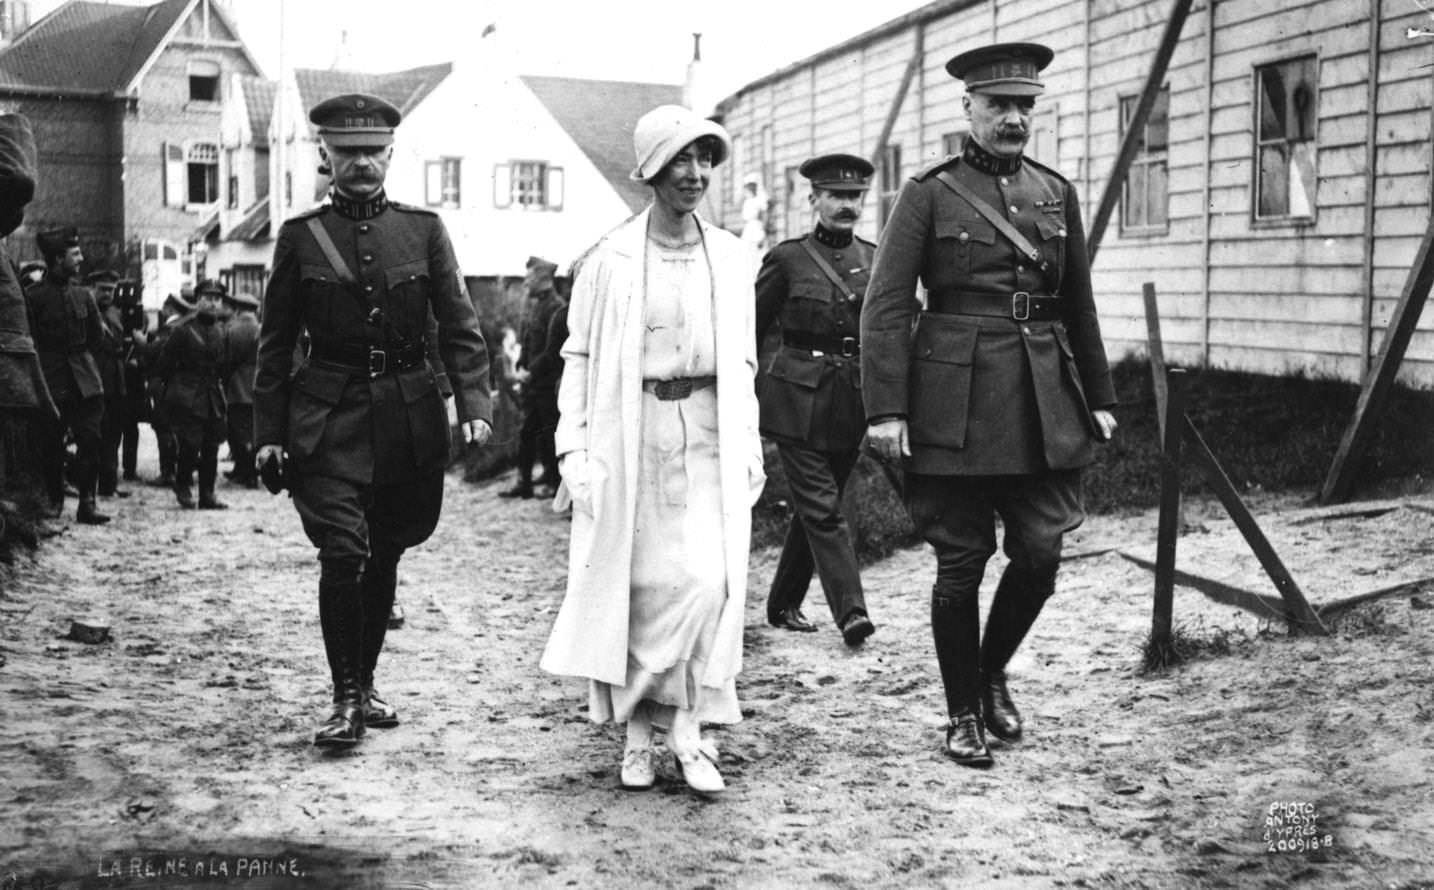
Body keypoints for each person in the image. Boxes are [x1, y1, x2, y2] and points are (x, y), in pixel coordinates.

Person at [861, 43, 1118, 767]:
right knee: (961, 561)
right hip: (955, 399)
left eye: (1024, 106)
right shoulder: (929, 192)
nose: (1013, 119)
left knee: (1040, 553)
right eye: (999, 105)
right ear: (967, 108)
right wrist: (887, 409)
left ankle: (991, 670)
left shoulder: (1054, 191)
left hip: (1041, 396)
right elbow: (884, 308)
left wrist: (1097, 394)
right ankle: (961, 713)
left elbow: (1079, 303)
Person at [253, 93, 493, 749]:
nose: (361, 163)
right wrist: (268, 434)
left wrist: (474, 405)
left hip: (407, 416)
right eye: (347, 152)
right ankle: (345, 698)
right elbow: (274, 345)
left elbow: (461, 325)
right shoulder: (300, 238)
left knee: (386, 547)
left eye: (373, 152)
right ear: (325, 155)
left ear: (391, 154)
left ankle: (366, 681)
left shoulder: (423, 230)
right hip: (327, 421)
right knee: (345, 550)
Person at [539, 105, 764, 795]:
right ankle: (640, 735)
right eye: (678, 162)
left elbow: (746, 364)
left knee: (708, 581)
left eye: (703, 160)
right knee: (638, 588)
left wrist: (749, 443)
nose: (694, 175)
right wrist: (573, 450)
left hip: (707, 433)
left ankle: (691, 729)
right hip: (629, 432)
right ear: (650, 173)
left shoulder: (729, 256)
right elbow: (576, 356)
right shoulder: (607, 260)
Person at [755, 153, 877, 646]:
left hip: (851, 398)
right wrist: (754, 389)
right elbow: (751, 329)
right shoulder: (787, 259)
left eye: (854, 196)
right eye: (836, 196)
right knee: (825, 507)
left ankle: (783, 601)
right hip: (796, 399)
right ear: (814, 199)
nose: (847, 205)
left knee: (817, 507)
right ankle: (851, 611)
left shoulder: (876, 256)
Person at [24, 226, 109, 525]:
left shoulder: (83, 295)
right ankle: (53, 502)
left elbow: (97, 340)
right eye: (75, 254)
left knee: (91, 440)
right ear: (58, 259)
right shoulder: (33, 297)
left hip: (85, 383)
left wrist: (89, 370)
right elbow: (30, 340)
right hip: (51, 382)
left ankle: (88, 502)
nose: (81, 258)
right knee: (51, 444)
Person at [154, 278, 231, 509]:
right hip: (187, 396)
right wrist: (175, 390)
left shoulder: (221, 332)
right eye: (207, 298)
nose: (212, 303)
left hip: (211, 396)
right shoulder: (183, 330)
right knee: (190, 444)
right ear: (197, 301)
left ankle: (207, 494)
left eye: (217, 299)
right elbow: (164, 364)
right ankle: (183, 485)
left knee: (211, 446)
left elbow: (225, 366)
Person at [499, 256, 564, 499]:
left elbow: (551, 352)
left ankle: (556, 486)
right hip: (532, 385)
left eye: (528, 279)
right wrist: (520, 364)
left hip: (547, 385)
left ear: (542, 279)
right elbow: (527, 340)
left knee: (550, 437)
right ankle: (524, 483)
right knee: (527, 435)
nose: (526, 285)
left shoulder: (557, 308)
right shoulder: (535, 305)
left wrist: (529, 372)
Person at [88, 269, 129, 500]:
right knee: (93, 435)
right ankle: (89, 486)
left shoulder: (114, 313)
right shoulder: (86, 311)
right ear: (92, 288)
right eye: (103, 289)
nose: (107, 294)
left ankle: (108, 483)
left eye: (111, 290)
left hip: (115, 381)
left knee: (114, 434)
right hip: (92, 380)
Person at [222, 290, 260, 488]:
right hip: (257, 386)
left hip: (237, 387)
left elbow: (227, 361)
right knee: (252, 432)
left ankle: (247, 473)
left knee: (238, 432)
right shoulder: (262, 329)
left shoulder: (232, 330)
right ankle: (244, 470)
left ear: (238, 309)